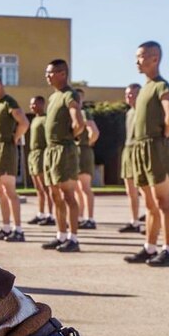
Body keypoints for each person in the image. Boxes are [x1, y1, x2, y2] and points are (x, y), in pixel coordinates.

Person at [122, 41, 169, 267]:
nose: (137, 61)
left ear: (154, 59)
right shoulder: (145, 87)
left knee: (163, 201)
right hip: (141, 149)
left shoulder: (161, 86)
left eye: (141, 56)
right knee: (149, 204)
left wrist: (162, 138)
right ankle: (150, 247)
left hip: (156, 147)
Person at [40, 59, 84, 252]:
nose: (47, 76)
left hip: (64, 150)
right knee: (54, 194)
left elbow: (79, 122)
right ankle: (61, 235)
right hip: (50, 151)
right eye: (47, 73)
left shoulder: (69, 95)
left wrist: (71, 136)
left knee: (68, 195)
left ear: (62, 74)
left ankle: (73, 239)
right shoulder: (53, 97)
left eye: (51, 73)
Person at [0, 73, 30, 242]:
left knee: (10, 191)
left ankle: (18, 230)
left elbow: (24, 122)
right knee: (0, 192)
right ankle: (6, 227)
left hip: (6, 148)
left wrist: (15, 138)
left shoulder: (10, 101)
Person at [118, 83, 144, 233]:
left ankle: (151, 220)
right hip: (128, 150)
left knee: (144, 189)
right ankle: (134, 221)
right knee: (130, 190)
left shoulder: (143, 111)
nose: (129, 97)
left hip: (138, 149)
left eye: (132, 94)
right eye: (127, 94)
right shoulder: (129, 113)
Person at [75, 87, 100, 230]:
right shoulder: (73, 114)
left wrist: (88, 143)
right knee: (78, 188)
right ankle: (79, 217)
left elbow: (94, 131)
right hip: (76, 151)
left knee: (85, 187)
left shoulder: (84, 113)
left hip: (83, 151)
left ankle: (90, 218)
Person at [26, 95, 53, 226]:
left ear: (42, 104)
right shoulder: (35, 120)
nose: (32, 106)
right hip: (33, 154)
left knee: (46, 187)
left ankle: (51, 215)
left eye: (34, 104)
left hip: (42, 154)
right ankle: (40, 213)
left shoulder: (45, 119)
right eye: (31, 104)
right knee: (38, 188)